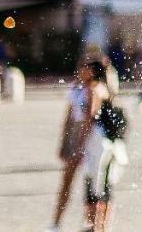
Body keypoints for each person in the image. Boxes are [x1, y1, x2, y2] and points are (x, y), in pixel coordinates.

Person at [80, 60, 126, 232]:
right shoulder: (107, 88)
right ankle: (101, 226)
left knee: (95, 182)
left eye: (84, 68)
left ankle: (94, 226)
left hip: (98, 141)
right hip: (110, 142)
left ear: (92, 72)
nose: (81, 72)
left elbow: (90, 117)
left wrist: (79, 142)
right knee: (104, 182)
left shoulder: (95, 89)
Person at [47, 62, 92, 231]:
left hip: (90, 138)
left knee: (91, 182)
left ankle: (88, 220)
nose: (83, 72)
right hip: (75, 135)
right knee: (66, 182)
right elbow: (69, 117)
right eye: (82, 68)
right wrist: (64, 143)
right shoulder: (76, 89)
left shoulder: (96, 89)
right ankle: (56, 222)